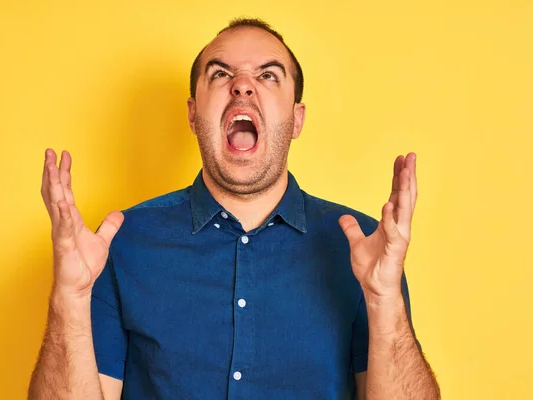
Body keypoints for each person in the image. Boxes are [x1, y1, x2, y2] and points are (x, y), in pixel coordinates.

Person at [28, 18, 440, 400]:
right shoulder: (120, 244)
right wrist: (70, 297)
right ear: (193, 114)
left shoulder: (363, 249)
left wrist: (384, 299)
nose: (243, 87)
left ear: (297, 120)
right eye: (221, 74)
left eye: (267, 76)